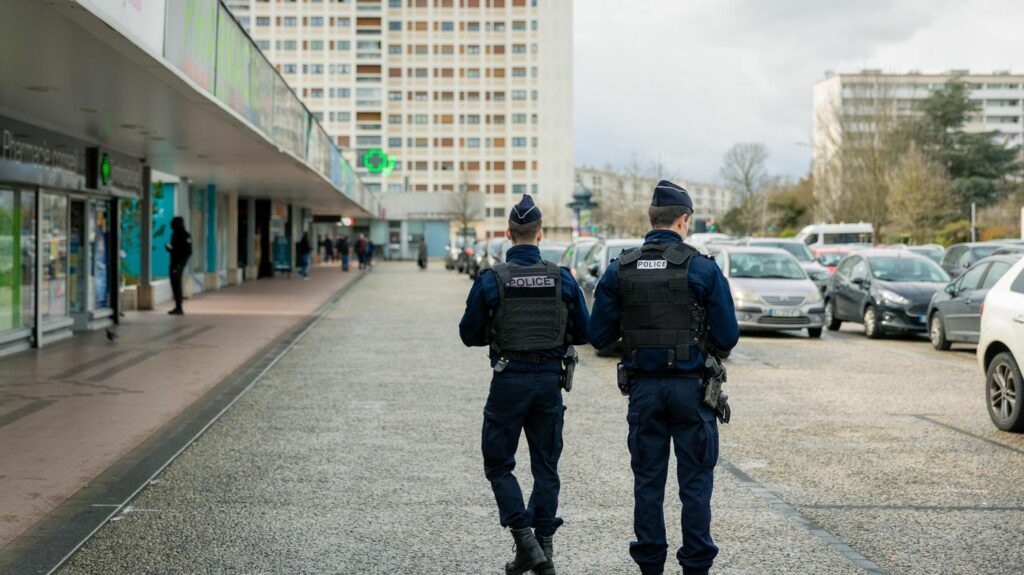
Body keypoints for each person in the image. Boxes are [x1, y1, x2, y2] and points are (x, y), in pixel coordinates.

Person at [588, 180, 739, 575]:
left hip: (644, 391)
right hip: (692, 392)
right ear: (683, 220)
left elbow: (598, 335)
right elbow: (727, 338)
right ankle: (696, 568)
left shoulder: (620, 268)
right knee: (695, 486)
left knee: (649, 484)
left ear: (651, 219)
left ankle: (650, 566)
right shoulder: (703, 269)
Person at [459, 195, 591, 575]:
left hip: (509, 380)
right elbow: (583, 331)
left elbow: (469, 335)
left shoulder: (491, 278)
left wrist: (498, 330)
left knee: (498, 464)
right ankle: (543, 550)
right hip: (549, 382)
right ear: (540, 235)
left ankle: (524, 539)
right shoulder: (561, 277)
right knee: (546, 466)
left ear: (507, 234)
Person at [166, 216, 192, 316]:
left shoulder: (185, 235)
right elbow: (175, 249)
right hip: (173, 262)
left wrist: (181, 264)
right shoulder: (174, 235)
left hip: (179, 263)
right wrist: (170, 249)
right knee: (174, 283)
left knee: (177, 284)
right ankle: (177, 305)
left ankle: (179, 306)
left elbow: (188, 251)